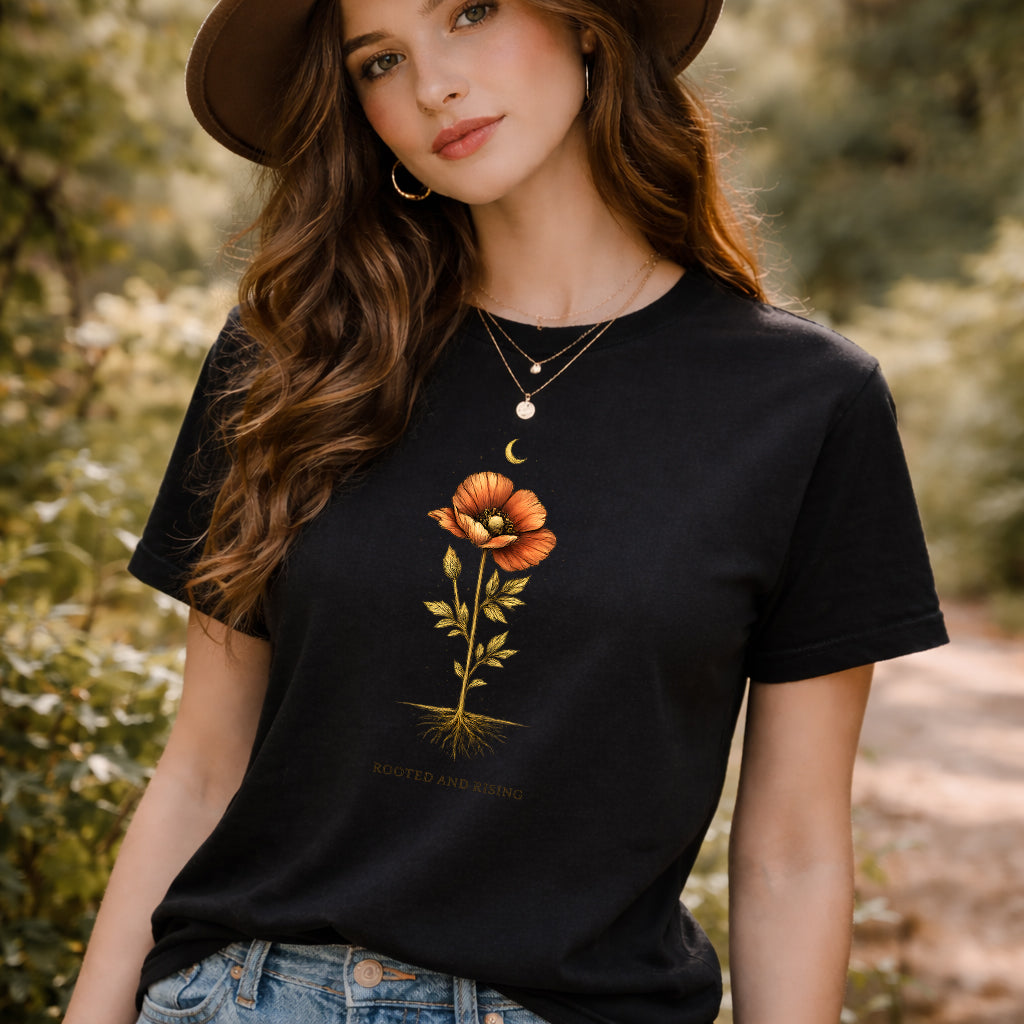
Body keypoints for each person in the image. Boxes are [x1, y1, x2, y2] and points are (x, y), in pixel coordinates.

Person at [65, 1, 949, 1022]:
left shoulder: (803, 406)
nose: (430, 83)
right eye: (378, 61)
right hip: (246, 994)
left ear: (585, 25)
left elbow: (792, 853)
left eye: (470, 12)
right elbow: (201, 769)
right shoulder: (291, 361)